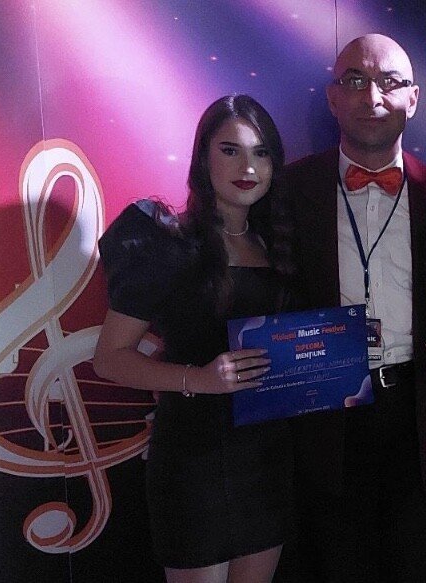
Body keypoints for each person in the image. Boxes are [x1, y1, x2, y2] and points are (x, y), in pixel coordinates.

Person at [278, 34, 426, 582]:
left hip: (420, 413)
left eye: (390, 83)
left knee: (413, 566)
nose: (372, 97)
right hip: (323, 416)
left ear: (413, 98)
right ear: (332, 97)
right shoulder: (288, 190)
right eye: (355, 81)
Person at [93, 95, 296, 583]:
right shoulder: (168, 244)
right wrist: (200, 379)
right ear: (203, 157)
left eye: (262, 152)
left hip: (267, 459)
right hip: (193, 462)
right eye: (230, 150)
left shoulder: (279, 246)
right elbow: (110, 358)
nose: (248, 167)